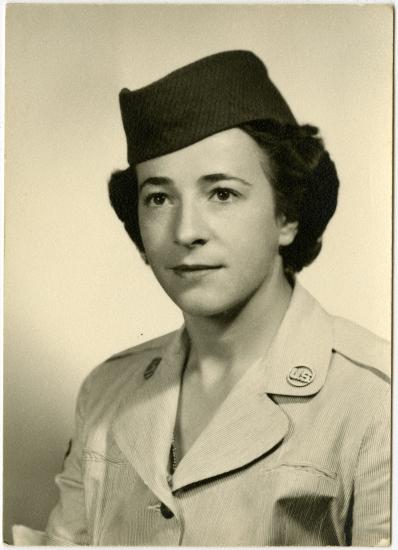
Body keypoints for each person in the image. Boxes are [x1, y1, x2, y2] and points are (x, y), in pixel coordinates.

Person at [41, 50, 390, 546]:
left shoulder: (378, 404)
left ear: (286, 215)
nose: (185, 231)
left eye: (222, 193)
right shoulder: (105, 392)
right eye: (159, 198)